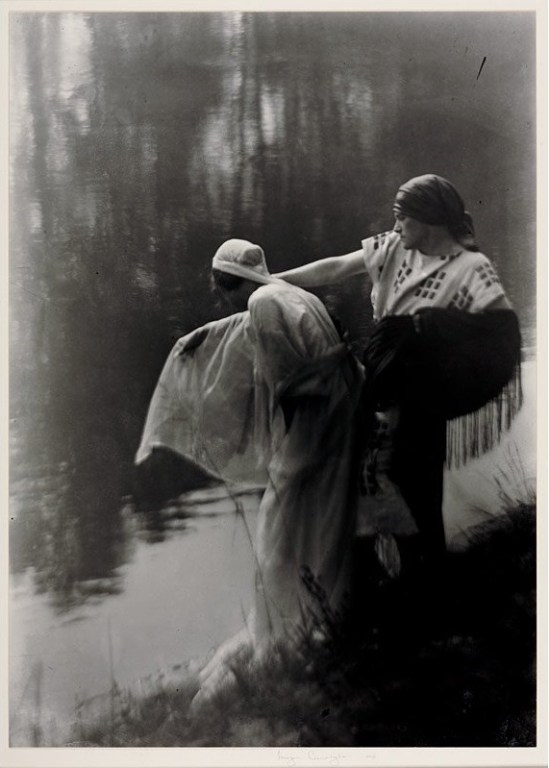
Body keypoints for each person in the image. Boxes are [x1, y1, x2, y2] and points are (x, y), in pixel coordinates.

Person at [136, 238, 364, 702]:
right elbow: (264, 329)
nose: (223, 299)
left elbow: (287, 378)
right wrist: (204, 337)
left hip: (316, 424)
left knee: (279, 527)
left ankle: (285, 630)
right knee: (322, 517)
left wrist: (284, 453)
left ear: (226, 287)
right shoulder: (288, 294)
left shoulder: (262, 302)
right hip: (344, 412)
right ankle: (320, 612)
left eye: (221, 291)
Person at [276, 174, 522, 571]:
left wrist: (429, 326)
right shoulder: (393, 248)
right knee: (365, 474)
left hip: (424, 391)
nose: (394, 227)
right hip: (380, 381)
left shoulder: (471, 268)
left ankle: (425, 576)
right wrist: (271, 280)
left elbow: (502, 331)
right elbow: (336, 268)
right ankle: (370, 575)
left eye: (401, 218)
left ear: (427, 219)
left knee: (414, 480)